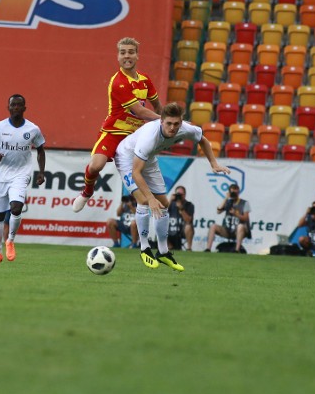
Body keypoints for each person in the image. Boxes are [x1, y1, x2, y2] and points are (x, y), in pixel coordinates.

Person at [114, 102, 230, 271]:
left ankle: (163, 252)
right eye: (168, 123)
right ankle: (145, 248)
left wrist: (214, 163)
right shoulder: (149, 137)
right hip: (127, 157)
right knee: (144, 201)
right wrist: (150, 198)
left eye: (176, 124)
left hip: (149, 158)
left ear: (181, 122)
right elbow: (136, 172)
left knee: (165, 205)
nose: (172, 127)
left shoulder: (186, 129)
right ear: (161, 121)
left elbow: (203, 140)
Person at [72, 37, 162, 212]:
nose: (126, 56)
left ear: (137, 55)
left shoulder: (145, 80)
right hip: (114, 132)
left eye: (130, 52)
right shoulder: (118, 82)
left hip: (135, 135)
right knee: (96, 166)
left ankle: (150, 203)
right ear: (118, 57)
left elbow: (157, 105)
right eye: (122, 52)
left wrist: (167, 120)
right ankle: (86, 192)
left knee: (142, 174)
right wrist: (163, 121)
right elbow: (141, 112)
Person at [0, 94, 46, 263]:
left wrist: (41, 172)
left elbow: (40, 150)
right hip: (1, 176)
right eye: (13, 105)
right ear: (8, 108)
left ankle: (10, 240)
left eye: (19, 105)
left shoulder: (33, 129)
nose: (16, 108)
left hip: (21, 173)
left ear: (24, 108)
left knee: (16, 208)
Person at [205, 183, 251, 253]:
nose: (234, 194)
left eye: (235, 192)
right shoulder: (228, 202)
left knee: (240, 226)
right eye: (232, 192)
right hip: (227, 229)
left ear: (238, 192)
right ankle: (208, 249)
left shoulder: (244, 203)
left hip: (238, 231)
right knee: (213, 226)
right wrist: (226, 198)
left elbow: (246, 218)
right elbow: (218, 211)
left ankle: (236, 250)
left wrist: (236, 214)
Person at [167, 186, 195, 252]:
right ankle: (169, 246)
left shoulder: (189, 205)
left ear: (185, 195)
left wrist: (181, 209)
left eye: (181, 195)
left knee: (188, 226)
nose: (179, 196)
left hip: (182, 230)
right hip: (170, 229)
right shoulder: (170, 204)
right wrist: (170, 200)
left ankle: (189, 248)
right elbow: (162, 212)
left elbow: (188, 221)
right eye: (177, 194)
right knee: (159, 225)